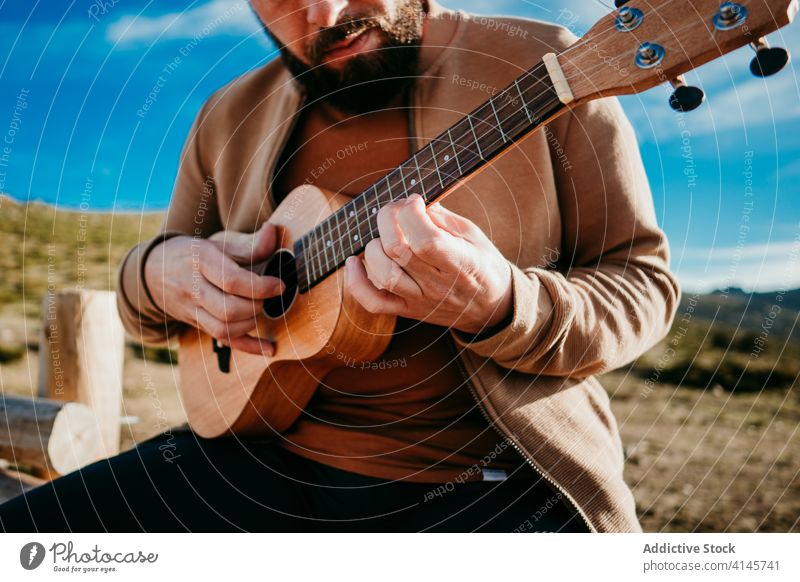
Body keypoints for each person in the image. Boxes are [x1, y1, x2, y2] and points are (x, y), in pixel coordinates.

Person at [0, 0, 680, 533]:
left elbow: (642, 281)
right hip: (249, 460)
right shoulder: (226, 115)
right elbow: (141, 299)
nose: (323, 15)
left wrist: (503, 303)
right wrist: (156, 272)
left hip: (496, 493)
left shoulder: (548, 64)